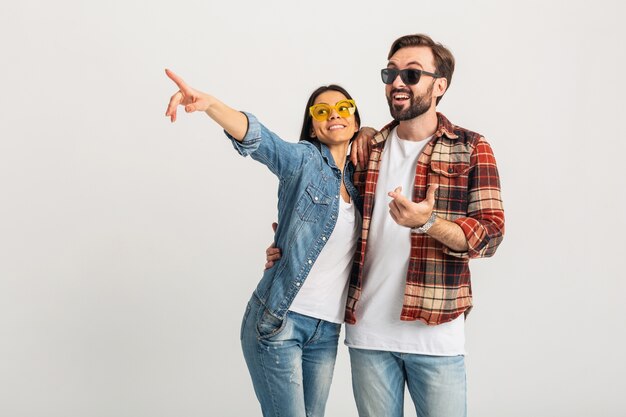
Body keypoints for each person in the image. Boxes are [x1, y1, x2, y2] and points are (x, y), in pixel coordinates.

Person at [266, 34, 505, 417]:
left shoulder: (471, 147)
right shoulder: (366, 148)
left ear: (439, 85)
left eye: (411, 74)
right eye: (390, 73)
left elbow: (490, 235)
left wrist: (427, 221)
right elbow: (326, 214)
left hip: (436, 337)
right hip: (369, 338)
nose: (397, 82)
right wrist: (288, 244)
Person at [164, 69, 363, 417]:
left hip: (326, 330)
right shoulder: (302, 160)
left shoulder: (362, 179)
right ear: (313, 126)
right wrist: (211, 104)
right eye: (321, 111)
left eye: (343, 108)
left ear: (356, 120)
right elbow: (261, 140)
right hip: (279, 322)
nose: (333, 114)